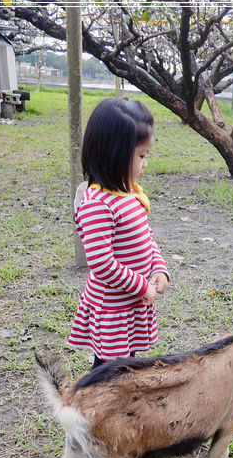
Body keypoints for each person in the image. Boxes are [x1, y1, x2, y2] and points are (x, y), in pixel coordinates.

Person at [68, 98, 169, 369]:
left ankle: (121, 399)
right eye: (141, 156)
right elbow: (101, 263)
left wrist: (159, 268)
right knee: (109, 368)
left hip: (130, 301)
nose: (146, 163)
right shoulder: (98, 204)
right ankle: (98, 407)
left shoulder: (127, 193)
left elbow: (146, 239)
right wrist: (142, 286)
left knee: (126, 361)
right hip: (114, 308)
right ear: (113, 154)